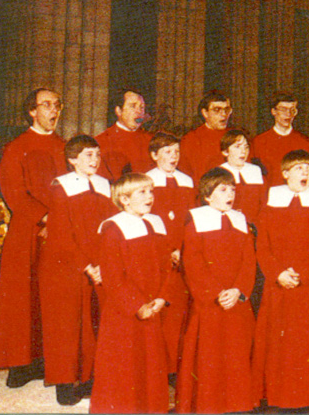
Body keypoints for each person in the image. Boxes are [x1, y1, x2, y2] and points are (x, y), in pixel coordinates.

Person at [0, 88, 66, 387]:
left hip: (59, 231)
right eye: (45, 105)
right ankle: (21, 364)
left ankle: (49, 360)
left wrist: (61, 221)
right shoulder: (17, 147)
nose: (53, 110)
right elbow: (14, 192)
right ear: (31, 111)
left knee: (54, 297)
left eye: (57, 105)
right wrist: (46, 217)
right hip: (28, 231)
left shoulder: (64, 146)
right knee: (23, 297)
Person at [252, 150, 309, 410]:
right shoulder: (272, 200)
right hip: (278, 284)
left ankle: (306, 395)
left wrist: (305, 274)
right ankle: (277, 395)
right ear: (285, 173)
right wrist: (278, 273)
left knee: (307, 340)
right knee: (278, 341)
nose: (306, 174)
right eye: (299, 169)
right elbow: (263, 246)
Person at [39, 135, 117, 406]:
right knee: (67, 324)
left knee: (94, 321)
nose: (95, 161)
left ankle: (87, 379)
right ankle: (64, 382)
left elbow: (109, 226)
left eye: (97, 155)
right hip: (66, 264)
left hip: (98, 262)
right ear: (72, 160)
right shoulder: (61, 186)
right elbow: (61, 235)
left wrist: (104, 263)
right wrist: (87, 265)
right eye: (88, 156)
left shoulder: (105, 185)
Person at [176, 167, 257, 414]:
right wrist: (216, 293)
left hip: (236, 301)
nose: (230, 193)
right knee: (209, 356)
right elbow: (193, 263)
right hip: (209, 303)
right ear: (208, 195)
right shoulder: (195, 222)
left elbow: (248, 260)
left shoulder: (241, 220)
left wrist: (238, 290)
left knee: (237, 353)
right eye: (223, 189)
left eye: (232, 189)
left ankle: (237, 404)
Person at [90, 173, 173, 414]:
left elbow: (167, 265)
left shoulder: (157, 222)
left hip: (154, 305)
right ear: (125, 200)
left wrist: (162, 297)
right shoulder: (113, 228)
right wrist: (138, 305)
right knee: (126, 366)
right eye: (142, 192)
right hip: (125, 311)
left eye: (151, 191)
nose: (150, 197)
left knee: (152, 363)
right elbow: (113, 275)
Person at [144, 132, 195, 374]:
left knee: (180, 311)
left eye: (176, 151)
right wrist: (169, 249)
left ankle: (176, 366)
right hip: (160, 252)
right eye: (167, 152)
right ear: (154, 155)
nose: (173, 156)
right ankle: (158, 366)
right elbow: (150, 219)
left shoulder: (187, 181)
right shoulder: (146, 181)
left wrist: (184, 248)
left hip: (184, 253)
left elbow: (189, 218)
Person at [250, 92, 309, 187]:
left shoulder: (305, 142)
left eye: (292, 110)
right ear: (273, 111)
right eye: (283, 109)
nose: (288, 114)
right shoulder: (258, 142)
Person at [95, 89, 153, 180]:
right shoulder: (102, 141)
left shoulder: (151, 140)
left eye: (142, 107)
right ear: (119, 111)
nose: (139, 111)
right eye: (133, 106)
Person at [179, 91, 233, 180]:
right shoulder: (191, 139)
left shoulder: (234, 137)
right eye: (217, 110)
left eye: (226, 110)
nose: (224, 114)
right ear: (205, 113)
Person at [218, 128, 265, 226]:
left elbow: (263, 204)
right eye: (237, 147)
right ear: (225, 151)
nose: (243, 151)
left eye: (246, 147)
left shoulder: (255, 171)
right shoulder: (219, 173)